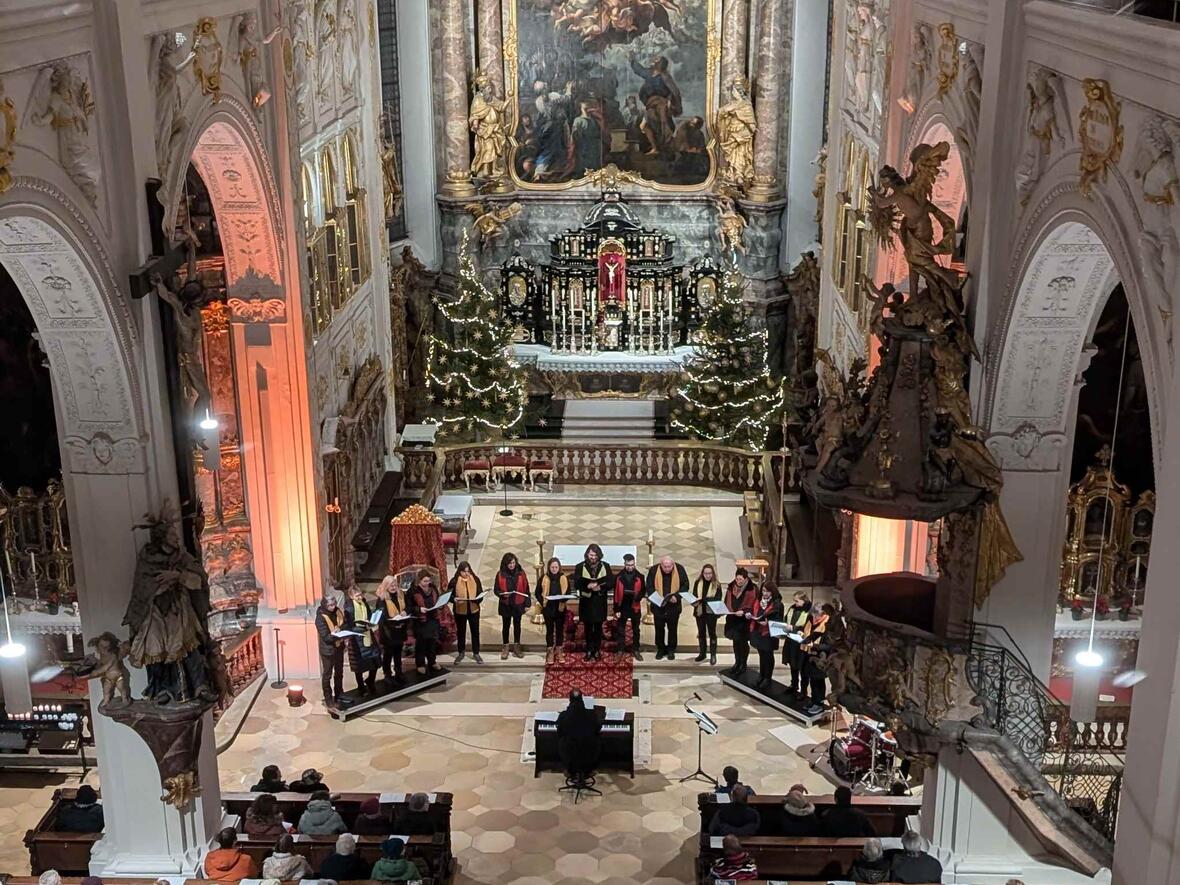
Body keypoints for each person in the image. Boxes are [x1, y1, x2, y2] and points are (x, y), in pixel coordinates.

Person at [574, 544, 611, 661]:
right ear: (587, 554)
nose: (593, 557)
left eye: (595, 555)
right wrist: (587, 585)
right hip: (587, 602)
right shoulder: (580, 566)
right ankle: (589, 650)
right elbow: (576, 583)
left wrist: (600, 587)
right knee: (588, 627)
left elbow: (610, 582)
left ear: (599, 555)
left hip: (599, 602)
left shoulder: (606, 566)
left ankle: (597, 650)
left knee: (598, 627)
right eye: (591, 555)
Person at [647, 555, 688, 660]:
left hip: (673, 607)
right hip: (658, 606)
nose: (667, 569)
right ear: (661, 564)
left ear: (673, 564)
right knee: (659, 629)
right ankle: (660, 649)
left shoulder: (679, 569)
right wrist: (656, 598)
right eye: (665, 567)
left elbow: (685, 586)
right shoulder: (653, 570)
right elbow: (649, 586)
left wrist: (677, 597)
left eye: (669, 566)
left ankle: (671, 650)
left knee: (672, 629)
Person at [556, 689, 602, 780]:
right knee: (598, 741)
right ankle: (588, 770)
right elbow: (597, 730)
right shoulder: (592, 715)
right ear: (582, 699)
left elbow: (559, 733)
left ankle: (570, 770)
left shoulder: (564, 715)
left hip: (569, 752)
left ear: (570, 700)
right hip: (589, 751)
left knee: (562, 742)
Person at [749, 582, 784, 690]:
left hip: (769, 634)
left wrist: (768, 623)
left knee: (768, 656)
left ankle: (767, 678)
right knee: (762, 655)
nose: (765, 593)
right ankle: (762, 675)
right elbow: (756, 613)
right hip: (759, 632)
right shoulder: (758, 601)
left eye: (767, 591)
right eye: (763, 591)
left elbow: (779, 620)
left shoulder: (778, 604)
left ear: (772, 592)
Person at [345, 586, 380, 696]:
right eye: (357, 596)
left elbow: (369, 615)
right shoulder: (349, 608)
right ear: (351, 596)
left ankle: (370, 681)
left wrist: (370, 621)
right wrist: (361, 627)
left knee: (375, 660)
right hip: (356, 639)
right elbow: (348, 626)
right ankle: (361, 687)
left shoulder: (364, 603)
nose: (360, 597)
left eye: (360, 594)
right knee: (358, 666)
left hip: (368, 635)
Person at [495, 552, 530, 660]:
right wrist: (503, 595)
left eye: (513, 563)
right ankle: (505, 646)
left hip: (517, 603)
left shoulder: (521, 573)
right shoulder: (500, 574)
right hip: (506, 604)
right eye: (509, 563)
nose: (512, 565)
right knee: (506, 626)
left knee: (517, 625)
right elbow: (496, 590)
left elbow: (526, 588)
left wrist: (527, 603)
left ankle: (516, 646)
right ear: (505, 564)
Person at [801, 603, 834, 715]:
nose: (814, 618)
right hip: (810, 656)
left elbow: (830, 646)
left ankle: (819, 704)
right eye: (813, 616)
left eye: (817, 616)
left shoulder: (829, 625)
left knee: (818, 681)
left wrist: (814, 646)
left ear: (823, 615)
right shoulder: (811, 619)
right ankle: (813, 700)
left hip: (821, 658)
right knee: (812, 681)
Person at [448, 560, 484, 665]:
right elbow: (448, 595)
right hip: (460, 611)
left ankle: (476, 653)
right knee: (461, 632)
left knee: (475, 632)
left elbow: (480, 593)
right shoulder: (454, 581)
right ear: (460, 572)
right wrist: (453, 599)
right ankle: (461, 652)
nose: (466, 574)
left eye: (468, 571)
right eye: (464, 572)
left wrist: (477, 599)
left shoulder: (475, 579)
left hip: (474, 610)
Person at [375, 574, 410, 684]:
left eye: (395, 585)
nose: (394, 587)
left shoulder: (400, 595)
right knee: (388, 654)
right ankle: (387, 674)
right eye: (391, 586)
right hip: (388, 632)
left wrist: (405, 612)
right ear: (386, 586)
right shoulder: (382, 599)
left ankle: (399, 672)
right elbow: (382, 616)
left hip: (400, 629)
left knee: (398, 653)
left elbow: (408, 606)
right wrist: (394, 622)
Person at [314, 594, 347, 707]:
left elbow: (345, 624)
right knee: (327, 675)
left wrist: (341, 629)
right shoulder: (320, 617)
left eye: (334, 604)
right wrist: (336, 634)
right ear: (325, 605)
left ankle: (339, 694)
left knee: (339, 672)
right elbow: (326, 637)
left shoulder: (338, 611)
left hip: (339, 648)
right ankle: (328, 699)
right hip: (328, 651)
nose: (333, 607)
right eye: (330, 605)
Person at [408, 568, 443, 675]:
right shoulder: (413, 591)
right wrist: (419, 609)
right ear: (419, 581)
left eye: (429, 581)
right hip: (421, 621)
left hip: (432, 619)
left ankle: (432, 661)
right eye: (425, 581)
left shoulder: (433, 588)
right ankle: (420, 664)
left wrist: (440, 605)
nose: (427, 583)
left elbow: (438, 599)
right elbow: (409, 607)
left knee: (432, 643)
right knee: (421, 644)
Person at [723, 568, 757, 677]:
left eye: (741, 579)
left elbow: (754, 604)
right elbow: (726, 601)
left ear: (746, 579)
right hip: (733, 619)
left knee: (742, 643)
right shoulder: (731, 586)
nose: (739, 581)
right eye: (737, 579)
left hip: (744, 621)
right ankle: (737, 662)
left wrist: (744, 611)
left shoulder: (752, 589)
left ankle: (743, 664)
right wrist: (729, 610)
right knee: (735, 642)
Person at [536, 557, 570, 664]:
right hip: (548, 608)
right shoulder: (543, 578)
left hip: (560, 608)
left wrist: (564, 598)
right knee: (550, 631)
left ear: (559, 567)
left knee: (559, 630)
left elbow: (568, 592)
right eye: (552, 567)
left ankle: (559, 650)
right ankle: (550, 651)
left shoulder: (563, 578)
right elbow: (537, 592)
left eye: (556, 567)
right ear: (549, 567)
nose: (554, 569)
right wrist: (543, 601)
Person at [613, 553, 645, 661]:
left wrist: (638, 597)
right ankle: (620, 650)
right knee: (621, 629)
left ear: (634, 564)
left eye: (631, 565)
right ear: (624, 564)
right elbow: (616, 594)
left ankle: (636, 649)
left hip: (635, 605)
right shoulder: (619, 577)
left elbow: (643, 591)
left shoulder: (640, 576)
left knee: (636, 629)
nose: (630, 567)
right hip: (623, 606)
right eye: (627, 565)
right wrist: (616, 609)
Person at [692, 563, 723, 664]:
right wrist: (694, 601)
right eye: (706, 573)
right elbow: (694, 595)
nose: (708, 575)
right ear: (702, 573)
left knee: (712, 633)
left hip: (711, 613)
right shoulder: (698, 582)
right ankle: (702, 653)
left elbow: (717, 599)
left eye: (710, 573)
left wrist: (704, 599)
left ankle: (713, 655)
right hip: (700, 612)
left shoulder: (717, 585)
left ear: (713, 574)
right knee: (701, 633)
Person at [782, 590, 813, 694]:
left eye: (797, 601)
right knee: (792, 664)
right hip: (791, 641)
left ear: (804, 600)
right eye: (794, 601)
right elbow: (786, 619)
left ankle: (803, 690)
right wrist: (785, 626)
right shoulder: (792, 608)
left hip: (801, 643)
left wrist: (794, 628)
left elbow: (807, 627)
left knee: (802, 668)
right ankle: (794, 684)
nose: (795, 603)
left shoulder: (809, 611)